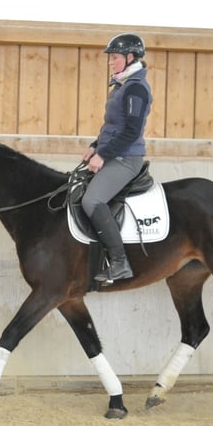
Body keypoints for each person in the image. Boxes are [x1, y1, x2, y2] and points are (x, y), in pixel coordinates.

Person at [81, 32, 152, 283]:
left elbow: (131, 131)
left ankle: (120, 263)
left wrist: (103, 154)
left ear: (130, 57)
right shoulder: (121, 85)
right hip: (111, 154)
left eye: (115, 57)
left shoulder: (136, 89)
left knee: (91, 200)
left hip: (126, 159)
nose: (111, 62)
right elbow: (112, 126)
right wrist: (94, 146)